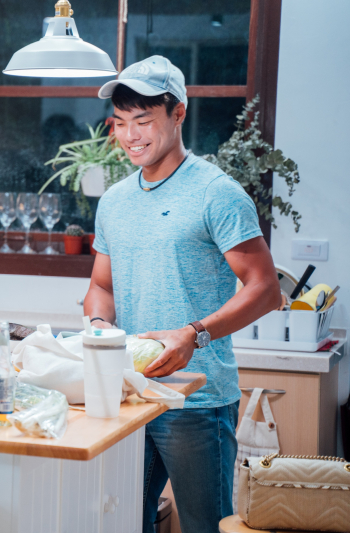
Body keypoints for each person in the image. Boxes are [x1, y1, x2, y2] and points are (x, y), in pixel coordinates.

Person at [83, 56, 280, 533]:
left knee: (204, 527)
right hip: (131, 396)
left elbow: (266, 289)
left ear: (178, 114)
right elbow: (100, 287)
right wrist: (99, 329)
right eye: (122, 123)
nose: (131, 136)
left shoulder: (217, 193)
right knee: (122, 521)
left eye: (144, 121)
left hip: (199, 400)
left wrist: (194, 334)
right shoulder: (114, 201)